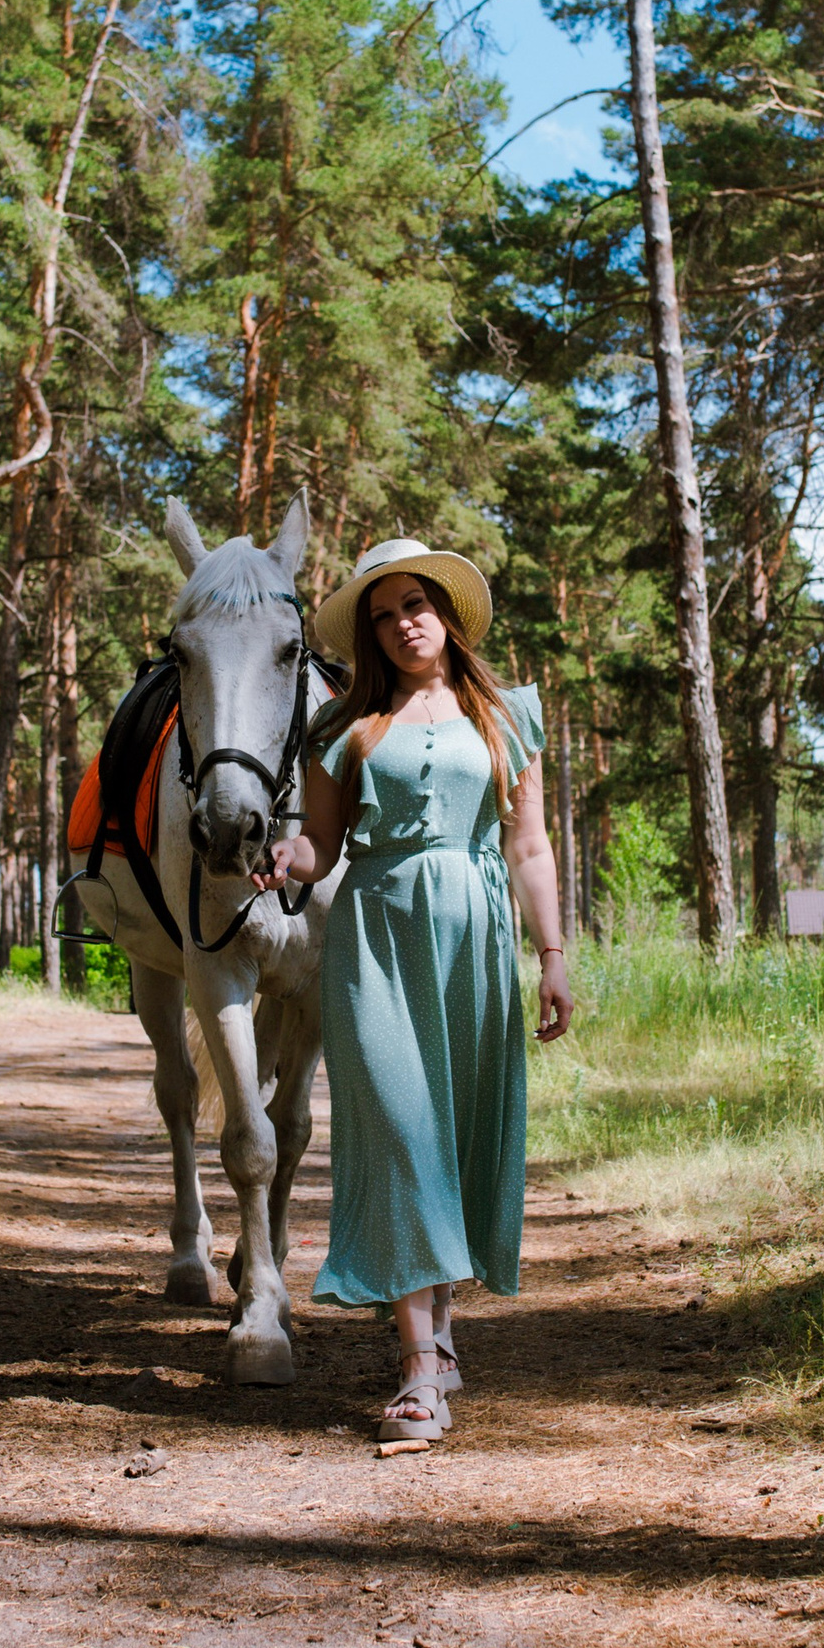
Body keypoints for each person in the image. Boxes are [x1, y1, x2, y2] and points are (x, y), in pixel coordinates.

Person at [256, 536, 573, 1435]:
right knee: (398, 1133)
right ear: (369, 633)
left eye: (415, 603)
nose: (403, 622)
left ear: (447, 612)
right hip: (377, 938)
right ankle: (420, 1364)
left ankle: (440, 1328)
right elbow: (321, 844)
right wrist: (290, 857)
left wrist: (550, 955)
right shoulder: (346, 730)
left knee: (458, 1135)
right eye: (384, 612)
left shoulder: (507, 716)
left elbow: (530, 845)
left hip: (476, 935)